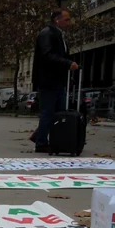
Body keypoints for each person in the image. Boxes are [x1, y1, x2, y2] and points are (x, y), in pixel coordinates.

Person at [31, 8, 79, 151]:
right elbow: (47, 55)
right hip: (49, 80)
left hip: (57, 79)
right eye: (66, 19)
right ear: (57, 20)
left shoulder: (58, 35)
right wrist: (67, 63)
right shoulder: (47, 34)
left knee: (58, 112)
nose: (69, 23)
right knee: (49, 111)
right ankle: (41, 143)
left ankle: (45, 137)